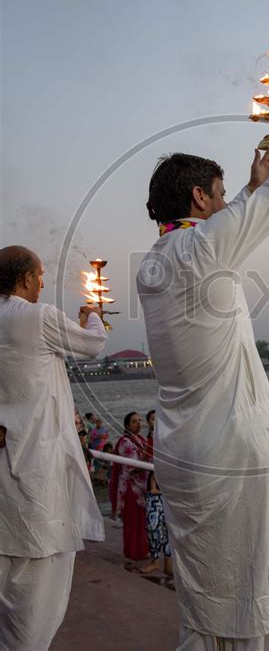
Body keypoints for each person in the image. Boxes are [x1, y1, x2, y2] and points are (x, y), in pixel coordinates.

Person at [137, 108, 269, 650]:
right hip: (232, 455)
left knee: (210, 601)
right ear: (201, 200)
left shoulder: (154, 263)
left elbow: (223, 231)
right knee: (260, 598)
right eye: (220, 193)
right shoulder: (203, 248)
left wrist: (246, 192)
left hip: (183, 453)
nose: (228, 202)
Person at [0, 245, 107, 650]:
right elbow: (92, 346)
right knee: (38, 590)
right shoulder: (37, 317)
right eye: (40, 276)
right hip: (38, 479)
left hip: (4, 475)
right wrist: (93, 317)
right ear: (26, 278)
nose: (43, 283)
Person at [109, 412, 149, 566]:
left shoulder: (142, 440)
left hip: (142, 487)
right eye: (134, 422)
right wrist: (146, 458)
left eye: (139, 421)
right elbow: (132, 468)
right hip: (131, 488)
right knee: (132, 521)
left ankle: (141, 551)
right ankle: (132, 552)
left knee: (141, 520)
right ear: (127, 425)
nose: (138, 424)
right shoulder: (125, 443)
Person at [140, 472, 173, 575]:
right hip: (156, 498)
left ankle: (168, 564)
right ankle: (155, 561)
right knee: (152, 529)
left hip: (168, 498)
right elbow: (153, 488)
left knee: (168, 531)